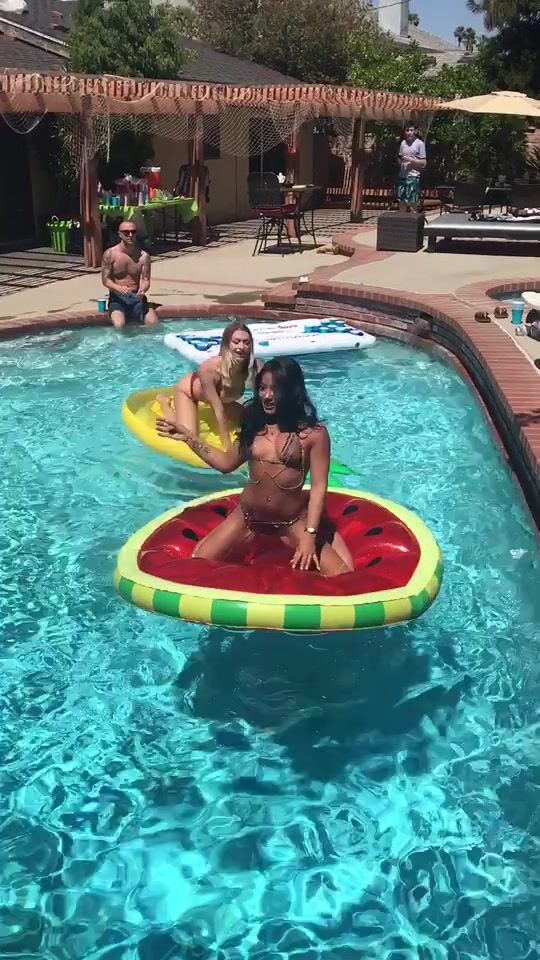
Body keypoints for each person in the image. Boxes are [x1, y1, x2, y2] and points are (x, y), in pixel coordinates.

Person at [156, 357, 354, 577]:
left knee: (343, 578)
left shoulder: (313, 434)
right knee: (196, 565)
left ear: (292, 390)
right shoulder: (254, 425)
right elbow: (226, 463)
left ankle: (327, 533)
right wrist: (189, 437)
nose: (267, 396)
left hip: (291, 521)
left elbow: (318, 487)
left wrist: (309, 534)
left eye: (275, 389)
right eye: (262, 388)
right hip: (247, 517)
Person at [158, 321, 261, 453]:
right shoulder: (210, 369)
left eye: (246, 343)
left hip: (222, 400)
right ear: (226, 344)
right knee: (187, 437)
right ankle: (164, 402)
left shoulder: (255, 367)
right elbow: (219, 410)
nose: (241, 347)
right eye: (236, 342)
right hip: (188, 392)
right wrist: (227, 449)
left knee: (252, 420)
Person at [101, 220, 159, 329]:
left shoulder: (144, 256)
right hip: (118, 299)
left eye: (133, 232)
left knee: (153, 324)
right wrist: (118, 288)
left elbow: (146, 279)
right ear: (120, 234)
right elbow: (105, 280)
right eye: (126, 232)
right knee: (119, 325)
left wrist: (143, 289)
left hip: (137, 297)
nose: (130, 235)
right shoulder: (110, 254)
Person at [397, 123, 427, 213]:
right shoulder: (403, 143)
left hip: (413, 176)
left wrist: (412, 160)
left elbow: (424, 162)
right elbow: (399, 157)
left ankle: (413, 219)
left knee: (412, 201)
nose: (409, 132)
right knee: (402, 201)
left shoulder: (420, 144)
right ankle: (402, 219)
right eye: (407, 130)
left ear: (415, 131)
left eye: (411, 130)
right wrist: (401, 160)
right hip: (402, 175)